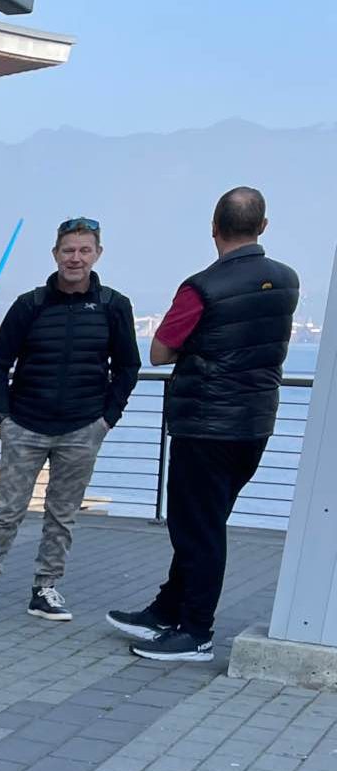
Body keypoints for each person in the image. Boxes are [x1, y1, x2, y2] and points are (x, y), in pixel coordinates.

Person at [109, 187, 298, 662]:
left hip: (206, 422)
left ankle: (196, 632)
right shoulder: (287, 280)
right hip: (256, 421)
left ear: (213, 227)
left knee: (198, 530)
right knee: (203, 523)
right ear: (264, 226)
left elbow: (159, 352)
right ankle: (166, 610)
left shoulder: (202, 287)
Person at [0, 217, 140, 620]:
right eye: (68, 250)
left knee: (63, 515)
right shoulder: (30, 305)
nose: (75, 258)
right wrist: (3, 415)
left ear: (97, 254)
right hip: (25, 423)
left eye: (84, 250)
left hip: (82, 426)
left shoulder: (114, 306)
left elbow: (128, 367)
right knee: (7, 511)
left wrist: (107, 419)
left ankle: (46, 589)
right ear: (56, 254)